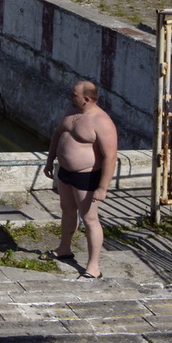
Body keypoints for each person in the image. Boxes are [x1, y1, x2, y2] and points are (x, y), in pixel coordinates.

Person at [44, 80, 118, 279]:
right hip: (65, 172)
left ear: (86, 99)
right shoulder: (71, 111)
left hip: (86, 175)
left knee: (90, 219)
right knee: (67, 210)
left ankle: (93, 266)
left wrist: (103, 187)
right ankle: (64, 248)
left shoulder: (101, 121)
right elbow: (58, 134)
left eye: (74, 94)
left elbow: (110, 156)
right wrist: (50, 160)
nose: (70, 96)